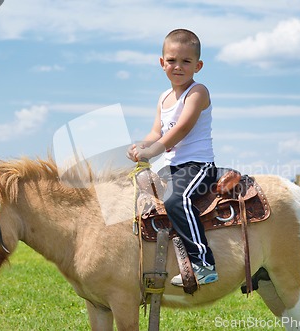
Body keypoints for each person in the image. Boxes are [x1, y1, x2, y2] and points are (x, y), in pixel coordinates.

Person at [127, 29, 218, 286]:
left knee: (177, 200)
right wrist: (139, 146)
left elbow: (181, 129)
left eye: (186, 62)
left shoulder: (198, 92)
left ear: (198, 66)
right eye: (172, 60)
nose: (178, 67)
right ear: (161, 63)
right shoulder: (163, 98)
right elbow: (156, 132)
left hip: (197, 165)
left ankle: (203, 262)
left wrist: (152, 151)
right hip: (172, 166)